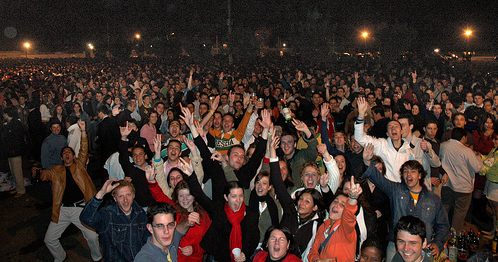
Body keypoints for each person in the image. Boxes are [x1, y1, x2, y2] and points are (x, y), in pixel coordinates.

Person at [32, 121, 102, 262]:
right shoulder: (56, 170)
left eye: (69, 152)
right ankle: (61, 257)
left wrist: (83, 132)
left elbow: (83, 149)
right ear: (61, 158)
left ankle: (97, 257)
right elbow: (45, 175)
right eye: (64, 153)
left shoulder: (80, 166)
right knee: (49, 239)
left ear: (73, 156)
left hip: (80, 209)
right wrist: (37, 173)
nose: (67, 154)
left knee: (93, 236)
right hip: (62, 210)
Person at [361, 157, 449, 262]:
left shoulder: (433, 199)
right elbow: (378, 179)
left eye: (413, 171)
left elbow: (443, 225)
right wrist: (367, 161)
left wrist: (438, 243)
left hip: (422, 248)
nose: (408, 174)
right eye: (405, 171)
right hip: (396, 246)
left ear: (420, 175)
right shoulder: (396, 190)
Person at [80, 179, 148, 261]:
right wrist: (101, 194)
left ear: (133, 195)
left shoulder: (141, 213)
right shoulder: (108, 214)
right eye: (120, 196)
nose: (125, 200)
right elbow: (86, 218)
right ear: (115, 199)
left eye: (128, 195)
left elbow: (146, 240)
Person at [355, 97, 415, 183]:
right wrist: (361, 115)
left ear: (401, 131)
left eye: (396, 126)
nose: (393, 128)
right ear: (387, 134)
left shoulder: (409, 151)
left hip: (402, 191)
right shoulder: (381, 145)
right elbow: (359, 137)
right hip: (385, 190)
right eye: (390, 127)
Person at [307, 177, 362, 262]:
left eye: (342, 205)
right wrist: (316, 260)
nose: (336, 205)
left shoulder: (346, 229)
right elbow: (313, 252)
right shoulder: (323, 227)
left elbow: (349, 216)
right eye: (335, 201)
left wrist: (352, 198)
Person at [440, 127, 483, 232]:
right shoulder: (467, 150)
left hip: (447, 185)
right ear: (463, 137)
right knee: (459, 213)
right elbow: (477, 168)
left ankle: (440, 231)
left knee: (444, 208)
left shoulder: (443, 146)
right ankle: (454, 236)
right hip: (463, 187)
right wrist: (478, 157)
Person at [1, 107, 27, 197]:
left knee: (17, 171)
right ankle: (17, 188)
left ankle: (21, 190)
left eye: (4, 114)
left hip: (15, 151)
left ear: (8, 114)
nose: (3, 115)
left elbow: (16, 138)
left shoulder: (15, 124)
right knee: (13, 171)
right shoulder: (9, 123)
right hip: (11, 151)